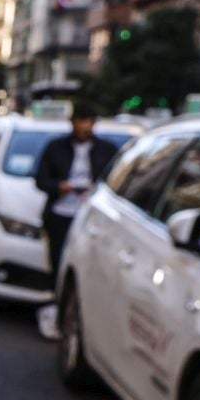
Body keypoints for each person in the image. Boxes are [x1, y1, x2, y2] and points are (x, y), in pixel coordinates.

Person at [32, 101, 118, 337]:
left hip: (91, 217)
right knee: (58, 263)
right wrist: (60, 187)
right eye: (81, 121)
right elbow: (40, 179)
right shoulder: (56, 147)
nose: (84, 127)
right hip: (61, 214)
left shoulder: (106, 150)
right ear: (73, 123)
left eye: (88, 122)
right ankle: (54, 311)